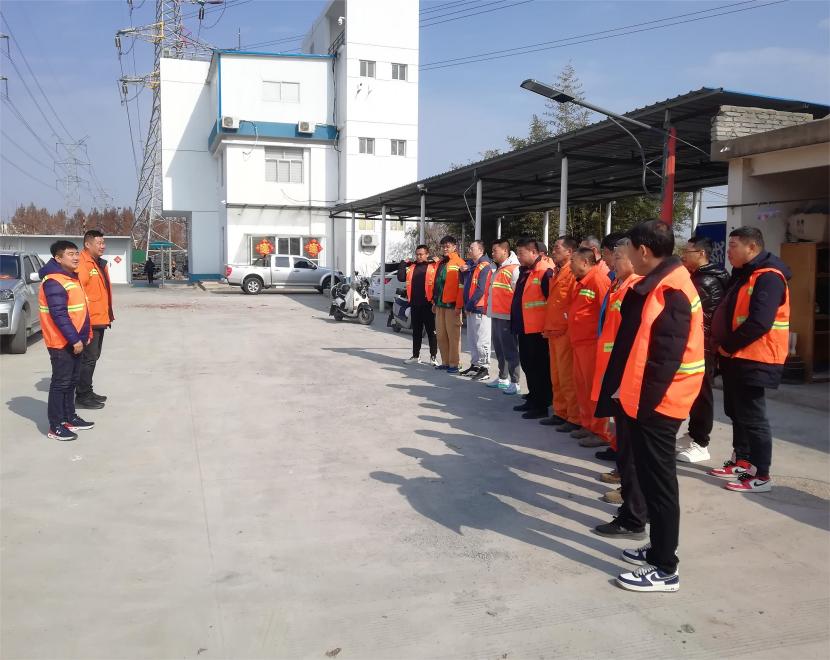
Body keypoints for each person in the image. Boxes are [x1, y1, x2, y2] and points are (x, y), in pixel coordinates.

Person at [596, 220, 704, 592]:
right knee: (649, 477)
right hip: (646, 400)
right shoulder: (661, 282)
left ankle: (665, 567)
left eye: (627, 251)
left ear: (643, 251)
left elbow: (664, 361)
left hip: (660, 404)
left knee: (660, 485)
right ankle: (658, 548)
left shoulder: (671, 290)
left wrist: (642, 409)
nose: (623, 257)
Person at [709, 227, 790, 492]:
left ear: (752, 247)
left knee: (754, 418)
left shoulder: (769, 277)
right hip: (736, 356)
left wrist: (727, 346)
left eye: (733, 246)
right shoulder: (744, 274)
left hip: (755, 357)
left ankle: (761, 475)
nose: (728, 251)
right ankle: (741, 460)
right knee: (736, 411)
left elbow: (759, 322)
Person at [591, 238, 648, 534]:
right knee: (625, 445)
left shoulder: (637, 289)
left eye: (619, 257)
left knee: (633, 449)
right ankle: (630, 497)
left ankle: (634, 509)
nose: (614, 261)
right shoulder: (621, 285)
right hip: (615, 370)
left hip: (627, 377)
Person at [676, 235, 729, 463]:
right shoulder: (699, 276)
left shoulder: (705, 281)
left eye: (688, 252)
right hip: (700, 343)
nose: (684, 256)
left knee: (702, 393)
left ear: (702, 254)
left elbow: (698, 317)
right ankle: (694, 434)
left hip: (703, 345)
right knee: (696, 392)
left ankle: (701, 442)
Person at [37, 241, 94, 441]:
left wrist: (86, 334)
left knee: (71, 382)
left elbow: (80, 310)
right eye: (70, 254)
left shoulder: (70, 277)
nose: (76, 257)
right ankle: (55, 425)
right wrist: (74, 339)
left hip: (75, 339)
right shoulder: (53, 281)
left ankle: (69, 418)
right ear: (58, 258)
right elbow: (59, 315)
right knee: (61, 383)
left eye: (76, 253)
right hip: (61, 342)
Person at [568, 247, 612, 448]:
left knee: (593, 389)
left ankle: (599, 431)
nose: (570, 265)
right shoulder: (582, 280)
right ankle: (587, 425)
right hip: (579, 343)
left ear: (585, 262)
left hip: (592, 344)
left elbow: (606, 313)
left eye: (573, 261)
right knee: (582, 386)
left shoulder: (598, 280)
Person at [511, 237, 554, 419]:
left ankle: (541, 404)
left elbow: (552, 302)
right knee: (528, 365)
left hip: (538, 331)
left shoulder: (544, 272)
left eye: (521, 253)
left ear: (534, 252)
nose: (518, 257)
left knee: (539, 368)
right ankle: (533, 397)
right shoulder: (526, 271)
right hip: (525, 327)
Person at [541, 236, 580, 432]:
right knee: (556, 376)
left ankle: (574, 417)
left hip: (565, 332)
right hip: (553, 331)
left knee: (567, 377)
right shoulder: (557, 272)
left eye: (557, 248)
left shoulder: (573, 273)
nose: (553, 251)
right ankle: (560, 412)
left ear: (570, 252)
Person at [75, 230, 113, 410]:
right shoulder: (83, 263)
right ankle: (82, 396)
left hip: (100, 318)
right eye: (99, 243)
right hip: (89, 320)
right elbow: (78, 291)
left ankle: (87, 391)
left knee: (93, 357)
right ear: (87, 244)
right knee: (88, 358)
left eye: (103, 243)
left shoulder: (97, 263)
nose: (102, 246)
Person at [486, 239, 521, 394]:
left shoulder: (514, 269)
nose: (492, 253)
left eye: (495, 250)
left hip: (507, 316)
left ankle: (515, 382)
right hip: (496, 314)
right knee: (499, 349)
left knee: (510, 350)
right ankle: (502, 378)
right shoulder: (498, 268)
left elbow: (518, 295)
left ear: (505, 251)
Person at [397, 245, 439, 366]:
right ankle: (416, 356)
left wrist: (438, 262)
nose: (419, 256)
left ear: (427, 254)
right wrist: (403, 263)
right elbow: (401, 277)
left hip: (428, 305)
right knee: (416, 332)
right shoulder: (412, 267)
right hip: (415, 304)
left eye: (421, 254)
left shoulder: (433, 266)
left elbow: (440, 281)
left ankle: (433, 357)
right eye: (417, 254)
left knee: (431, 332)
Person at [431, 235, 465, 374]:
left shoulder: (459, 262)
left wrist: (459, 305)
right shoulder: (441, 263)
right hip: (440, 304)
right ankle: (445, 362)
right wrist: (434, 301)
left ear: (454, 247)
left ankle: (454, 364)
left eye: (448, 246)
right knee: (441, 336)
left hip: (452, 306)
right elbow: (436, 283)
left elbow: (461, 287)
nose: (445, 248)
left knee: (453, 336)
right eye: (443, 246)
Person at [460, 240, 493, 380]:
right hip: (471, 307)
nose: (469, 250)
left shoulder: (485, 266)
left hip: (480, 308)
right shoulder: (472, 266)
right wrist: (462, 271)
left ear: (480, 250)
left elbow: (481, 289)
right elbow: (465, 283)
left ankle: (484, 368)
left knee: (482, 340)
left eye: (472, 248)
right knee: (472, 340)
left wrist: (469, 305)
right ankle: (475, 366)